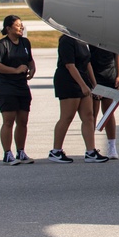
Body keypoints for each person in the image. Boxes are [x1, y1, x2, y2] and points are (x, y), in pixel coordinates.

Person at [50, 34, 109, 163]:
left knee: (89, 116)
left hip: (82, 79)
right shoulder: (67, 40)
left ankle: (90, 151)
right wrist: (82, 85)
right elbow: (70, 65)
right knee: (67, 116)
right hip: (68, 81)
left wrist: (94, 85)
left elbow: (87, 64)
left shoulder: (82, 40)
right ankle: (56, 151)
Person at [0, 15, 37, 165]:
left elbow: (29, 59)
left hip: (22, 86)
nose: (21, 28)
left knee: (23, 120)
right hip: (6, 86)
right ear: (8, 28)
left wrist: (32, 67)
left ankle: (21, 152)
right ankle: (7, 153)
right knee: (8, 120)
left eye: (22, 25)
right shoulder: (2, 44)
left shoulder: (25, 42)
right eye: (18, 25)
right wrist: (15, 70)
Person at [89, 46, 119, 159]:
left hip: (109, 74)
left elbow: (118, 53)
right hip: (94, 75)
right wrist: (94, 84)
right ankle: (90, 147)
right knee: (92, 114)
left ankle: (112, 146)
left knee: (108, 113)